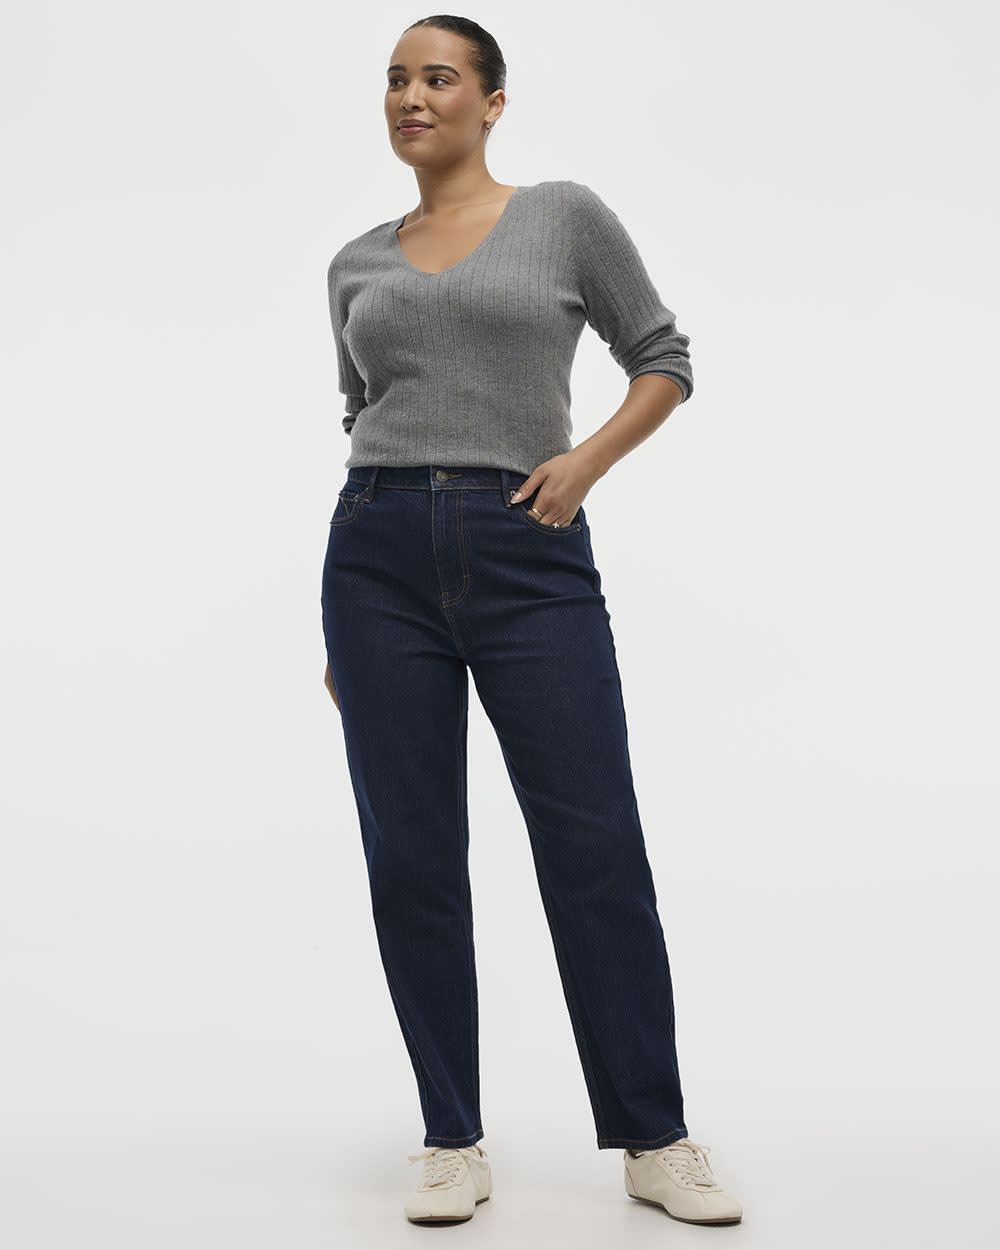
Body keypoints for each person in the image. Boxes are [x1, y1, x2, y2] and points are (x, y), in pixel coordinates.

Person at [321, 15, 743, 1228]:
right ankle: (449, 1135)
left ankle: (653, 1134)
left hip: (528, 546)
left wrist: (584, 462)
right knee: (412, 855)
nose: (411, 97)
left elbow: (662, 357)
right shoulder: (354, 261)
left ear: (492, 101)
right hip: (375, 556)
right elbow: (359, 418)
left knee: (593, 841)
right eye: (395, 80)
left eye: (438, 77)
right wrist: (338, 624)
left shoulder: (560, 216)